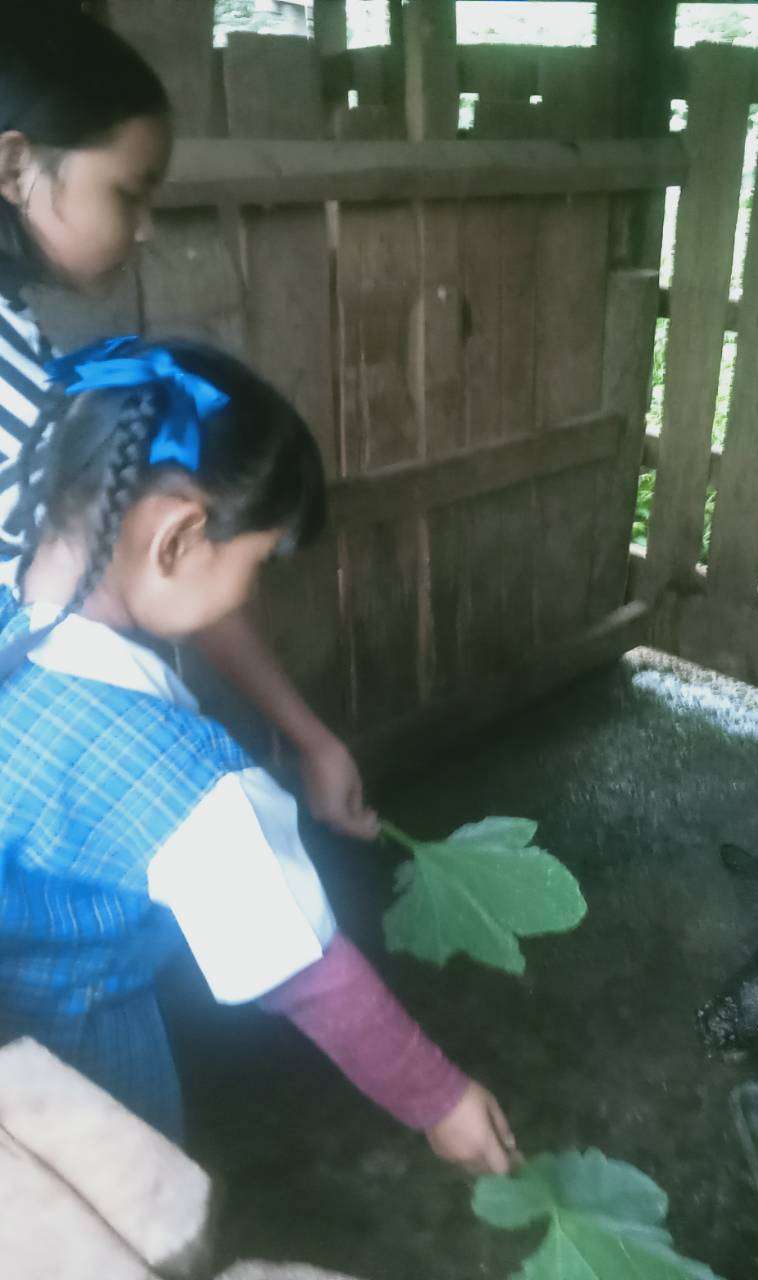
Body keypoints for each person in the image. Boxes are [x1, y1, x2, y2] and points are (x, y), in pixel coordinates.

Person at [0, 335, 519, 1174]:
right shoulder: (183, 785)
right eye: (257, 564)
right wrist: (440, 1099)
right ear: (176, 540)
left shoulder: (9, 609)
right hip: (86, 1052)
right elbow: (305, 969)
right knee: (132, 1219)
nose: (250, 593)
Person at [0, 2, 377, 839]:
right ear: (16, 167)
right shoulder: (14, 379)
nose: (145, 225)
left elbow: (153, 558)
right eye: (128, 191)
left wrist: (306, 735)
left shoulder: (21, 343)